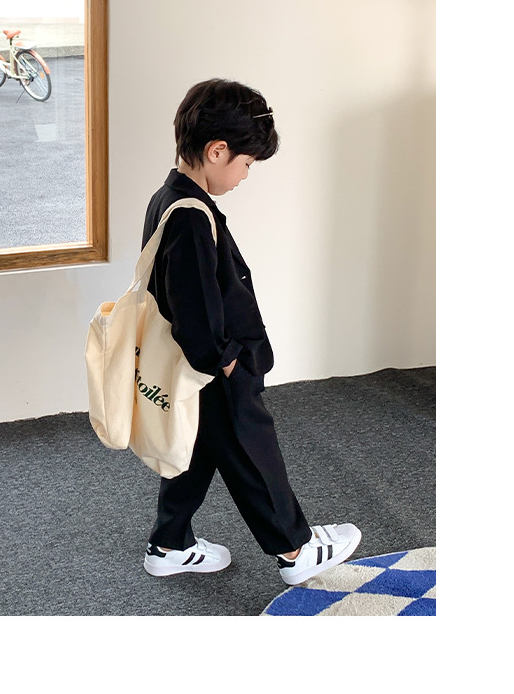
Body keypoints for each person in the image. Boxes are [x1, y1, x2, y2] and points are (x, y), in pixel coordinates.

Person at [141, 78, 362, 586]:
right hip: (214, 365)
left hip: (192, 364)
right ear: (217, 151)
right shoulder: (190, 216)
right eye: (246, 163)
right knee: (251, 448)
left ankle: (169, 543)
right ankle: (295, 550)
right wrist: (226, 361)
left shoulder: (169, 197)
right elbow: (195, 308)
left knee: (195, 449)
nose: (245, 175)